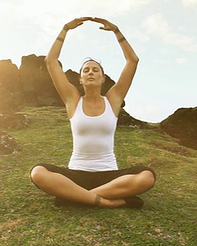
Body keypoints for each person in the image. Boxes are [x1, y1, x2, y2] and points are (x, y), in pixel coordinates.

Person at [29, 17, 156, 208]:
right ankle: (106, 202)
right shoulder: (73, 100)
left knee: (147, 176)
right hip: (76, 174)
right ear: (80, 79)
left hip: (109, 176)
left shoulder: (113, 100)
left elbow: (133, 61)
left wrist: (117, 31)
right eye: (86, 70)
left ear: (102, 78)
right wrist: (65, 29)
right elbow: (51, 61)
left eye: (95, 70)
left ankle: (73, 197)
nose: (90, 72)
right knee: (37, 172)